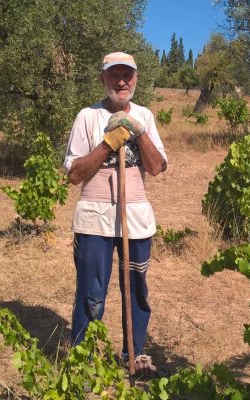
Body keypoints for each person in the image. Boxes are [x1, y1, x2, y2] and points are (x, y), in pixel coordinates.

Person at [63, 51, 167, 376]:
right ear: (103, 79)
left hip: (135, 219)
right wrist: (109, 143)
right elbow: (75, 174)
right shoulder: (87, 117)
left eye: (127, 75)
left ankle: (134, 354)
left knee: (136, 288)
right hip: (94, 218)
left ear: (135, 79)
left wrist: (138, 132)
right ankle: (81, 360)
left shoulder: (145, 116)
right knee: (91, 292)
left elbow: (157, 166)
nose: (121, 81)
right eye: (114, 75)